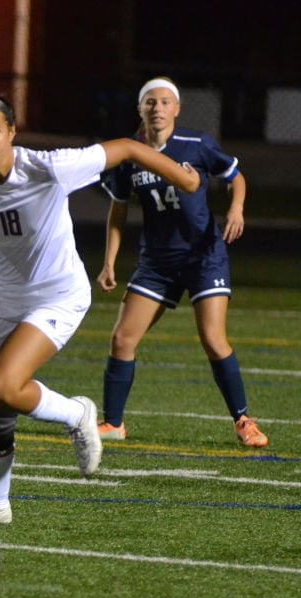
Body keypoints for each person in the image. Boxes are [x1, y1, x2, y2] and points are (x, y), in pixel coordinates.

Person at [0, 93, 199, 524]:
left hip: (60, 294)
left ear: (12, 132)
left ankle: (77, 413)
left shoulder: (49, 167)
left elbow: (125, 148)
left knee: (5, 384)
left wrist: (186, 182)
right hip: (7, 297)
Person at [95, 77, 267, 448]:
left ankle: (243, 420)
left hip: (203, 256)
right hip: (157, 262)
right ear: (140, 109)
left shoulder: (197, 143)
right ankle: (113, 423)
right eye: (150, 102)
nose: (157, 108)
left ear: (177, 108)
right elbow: (118, 211)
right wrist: (109, 262)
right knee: (123, 339)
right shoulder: (129, 153)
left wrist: (236, 208)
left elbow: (235, 178)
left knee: (213, 339)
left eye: (164, 102)